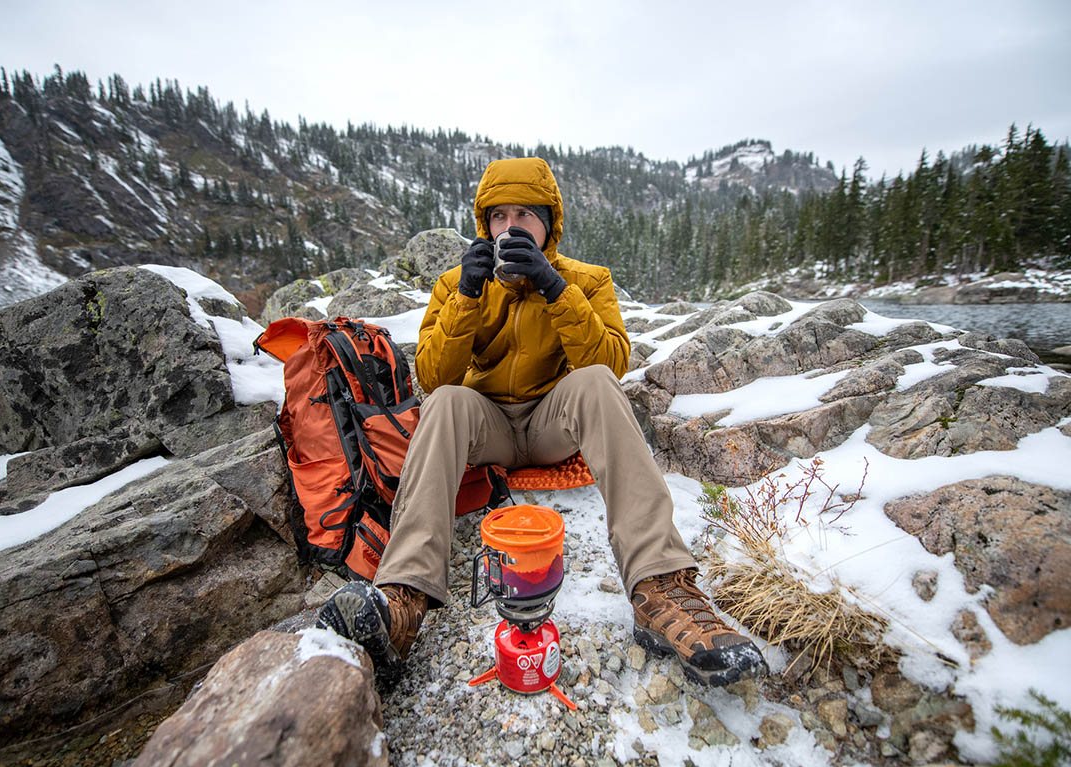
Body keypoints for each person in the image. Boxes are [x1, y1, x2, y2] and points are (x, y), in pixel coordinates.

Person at [319, 157, 766, 688]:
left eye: (525, 215)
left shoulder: (587, 280)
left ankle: (661, 585)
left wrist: (554, 288)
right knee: (445, 403)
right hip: (488, 428)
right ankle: (404, 597)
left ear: (550, 222)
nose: (510, 227)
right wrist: (467, 295)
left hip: (552, 420)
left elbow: (612, 362)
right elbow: (435, 376)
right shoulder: (454, 283)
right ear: (483, 223)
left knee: (597, 381)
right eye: (498, 215)